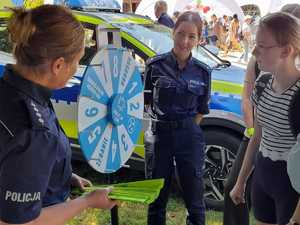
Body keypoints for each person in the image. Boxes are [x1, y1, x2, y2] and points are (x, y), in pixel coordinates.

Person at [0, 5, 116, 225]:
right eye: (77, 61)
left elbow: (13, 167)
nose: (76, 69)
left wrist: (63, 177)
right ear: (59, 65)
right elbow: (21, 223)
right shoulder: (34, 132)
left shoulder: (17, 92)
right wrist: (87, 201)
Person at [230, 11, 300, 225]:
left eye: (262, 46)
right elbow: (257, 136)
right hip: (263, 173)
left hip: (290, 183)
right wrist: (241, 181)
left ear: (286, 51)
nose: (254, 51)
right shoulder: (262, 83)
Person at [144, 11, 211, 225]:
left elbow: (202, 108)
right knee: (156, 197)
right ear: (173, 32)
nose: (185, 41)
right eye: (181, 34)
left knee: (195, 198)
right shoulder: (154, 66)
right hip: (160, 135)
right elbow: (146, 102)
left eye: (192, 36)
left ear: (199, 39)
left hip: (188, 135)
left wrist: (186, 129)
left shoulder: (203, 72)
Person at [223, 56, 260, 225]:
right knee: (233, 187)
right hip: (254, 134)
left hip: (284, 141)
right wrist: (251, 127)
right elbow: (246, 95)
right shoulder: (257, 57)